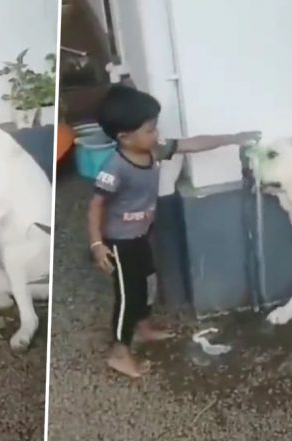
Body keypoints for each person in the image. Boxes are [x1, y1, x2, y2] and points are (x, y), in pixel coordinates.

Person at [88, 85, 260, 378]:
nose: (157, 135)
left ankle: (143, 328)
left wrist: (234, 138)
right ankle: (119, 352)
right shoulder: (114, 168)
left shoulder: (153, 151)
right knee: (128, 295)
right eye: (150, 130)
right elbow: (96, 206)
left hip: (141, 235)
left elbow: (192, 144)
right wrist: (96, 244)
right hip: (119, 242)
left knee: (148, 283)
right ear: (124, 137)